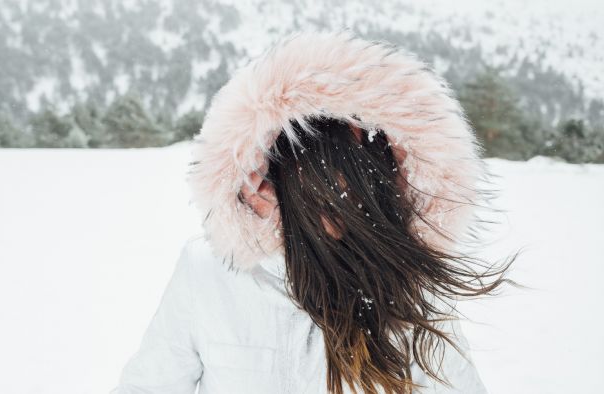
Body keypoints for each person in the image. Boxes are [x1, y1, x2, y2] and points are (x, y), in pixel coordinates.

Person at [111, 30, 517, 394]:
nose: (337, 213)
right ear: (278, 182)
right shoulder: (212, 272)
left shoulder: (408, 284)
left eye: (355, 192)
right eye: (319, 192)